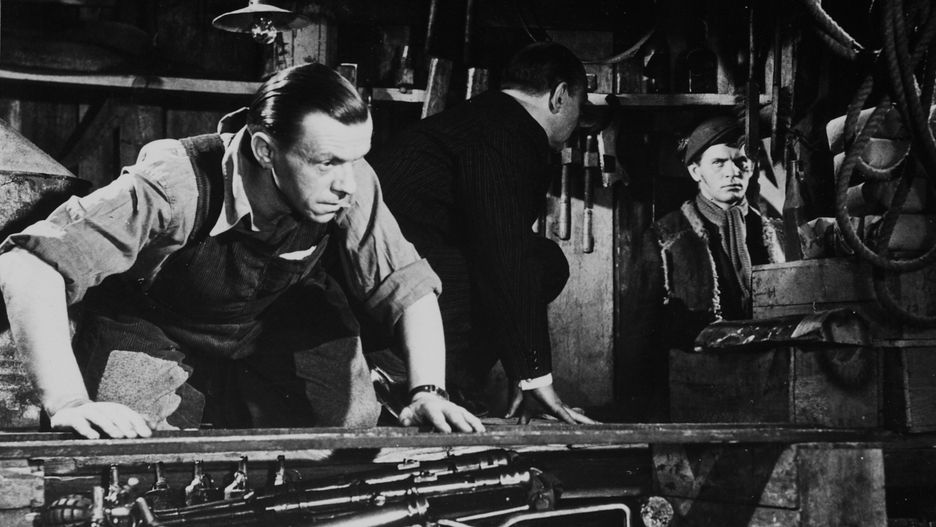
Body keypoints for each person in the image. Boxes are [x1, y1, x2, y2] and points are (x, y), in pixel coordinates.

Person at [0, 63, 484, 439]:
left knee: (346, 433)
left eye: (356, 158)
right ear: (266, 150)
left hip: (272, 319)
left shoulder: (348, 179)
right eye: (327, 162)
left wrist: (428, 391)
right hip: (157, 322)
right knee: (125, 445)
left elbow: (407, 287)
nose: (346, 182)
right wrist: (69, 402)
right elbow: (27, 266)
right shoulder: (174, 182)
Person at [368, 42, 595, 425]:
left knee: (520, 264)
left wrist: (522, 369)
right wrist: (534, 377)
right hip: (380, 297)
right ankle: (417, 383)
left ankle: (442, 385)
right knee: (543, 262)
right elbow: (506, 256)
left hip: (378, 285)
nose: (577, 120)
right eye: (579, 105)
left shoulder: (483, 117)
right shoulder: (510, 130)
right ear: (559, 96)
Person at [633, 115, 785, 417]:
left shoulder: (775, 234)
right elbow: (641, 334)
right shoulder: (665, 237)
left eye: (741, 162)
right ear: (695, 171)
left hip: (766, 387)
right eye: (718, 163)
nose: (732, 172)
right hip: (695, 389)